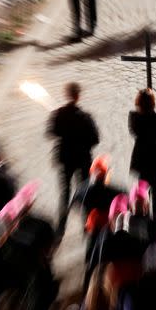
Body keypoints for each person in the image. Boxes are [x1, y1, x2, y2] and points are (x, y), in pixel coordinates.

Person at [48, 82, 100, 232]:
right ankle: (87, 223)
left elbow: (53, 133)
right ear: (78, 96)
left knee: (65, 192)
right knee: (84, 191)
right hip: (83, 159)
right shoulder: (86, 117)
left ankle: (61, 225)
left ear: (67, 94)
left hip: (65, 157)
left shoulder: (58, 114)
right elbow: (95, 139)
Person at [129, 89, 156, 221]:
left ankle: (143, 219)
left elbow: (134, 132)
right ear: (153, 103)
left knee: (143, 192)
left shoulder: (134, 117)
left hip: (142, 161)